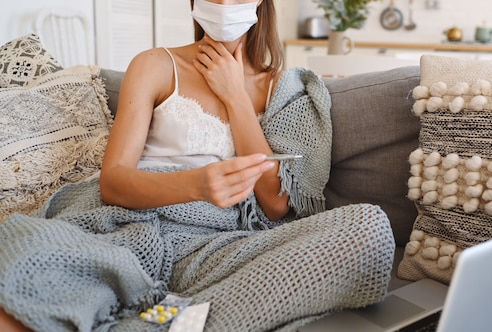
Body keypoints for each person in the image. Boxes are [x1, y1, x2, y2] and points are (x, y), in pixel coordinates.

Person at [0, 0, 395, 331]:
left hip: (222, 248)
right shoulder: (156, 64)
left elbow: (276, 204)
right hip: (135, 226)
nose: (223, 3)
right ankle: (180, 316)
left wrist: (235, 96)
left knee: (369, 231)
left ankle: (162, 318)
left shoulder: (289, 89)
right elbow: (114, 183)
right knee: (25, 256)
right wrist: (197, 186)